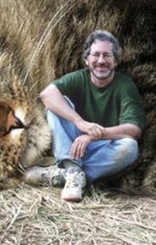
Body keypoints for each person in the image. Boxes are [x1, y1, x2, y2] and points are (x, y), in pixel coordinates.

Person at [24, 30, 145, 202]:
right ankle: (72, 168)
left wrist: (95, 135)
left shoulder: (125, 85)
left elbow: (134, 129)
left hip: (103, 148)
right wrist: (80, 123)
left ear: (116, 61)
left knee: (130, 148)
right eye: (95, 55)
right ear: (87, 60)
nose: (101, 61)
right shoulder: (78, 78)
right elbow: (47, 94)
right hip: (73, 145)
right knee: (56, 106)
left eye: (107, 55)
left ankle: (66, 176)